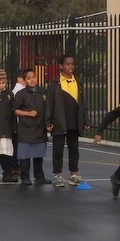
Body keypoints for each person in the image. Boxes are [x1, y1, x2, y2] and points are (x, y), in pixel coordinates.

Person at [46, 54, 90, 187]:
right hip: (59, 121)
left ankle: (73, 174)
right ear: (61, 66)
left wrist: (85, 119)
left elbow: (82, 103)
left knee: (74, 149)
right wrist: (48, 121)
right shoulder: (55, 83)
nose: (70, 66)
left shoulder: (78, 82)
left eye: (72, 64)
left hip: (73, 121)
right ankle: (57, 175)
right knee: (58, 149)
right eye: (67, 64)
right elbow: (49, 103)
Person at [12, 69, 50, 185]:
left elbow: (48, 109)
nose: (32, 80)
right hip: (26, 129)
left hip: (40, 128)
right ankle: (25, 176)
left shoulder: (43, 93)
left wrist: (48, 123)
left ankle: (39, 176)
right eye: (29, 78)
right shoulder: (21, 94)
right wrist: (28, 113)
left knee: (39, 155)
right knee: (25, 155)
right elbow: (15, 110)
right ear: (24, 80)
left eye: (34, 77)